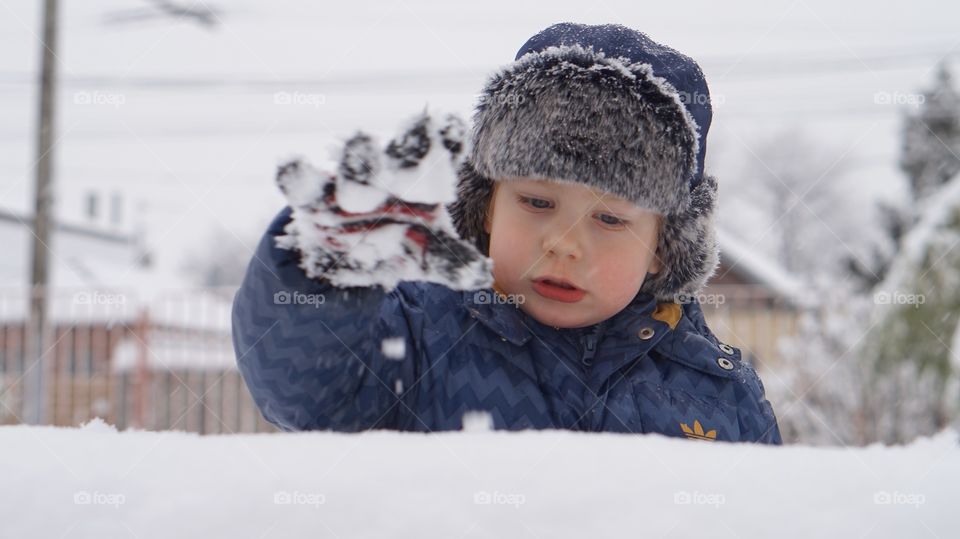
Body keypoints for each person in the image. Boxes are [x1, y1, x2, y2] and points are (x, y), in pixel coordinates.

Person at [232, 22, 783, 444]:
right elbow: (304, 391)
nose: (563, 243)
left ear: (664, 248)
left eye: (610, 219)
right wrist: (326, 263)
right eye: (537, 202)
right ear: (488, 208)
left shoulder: (718, 396)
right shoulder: (417, 338)